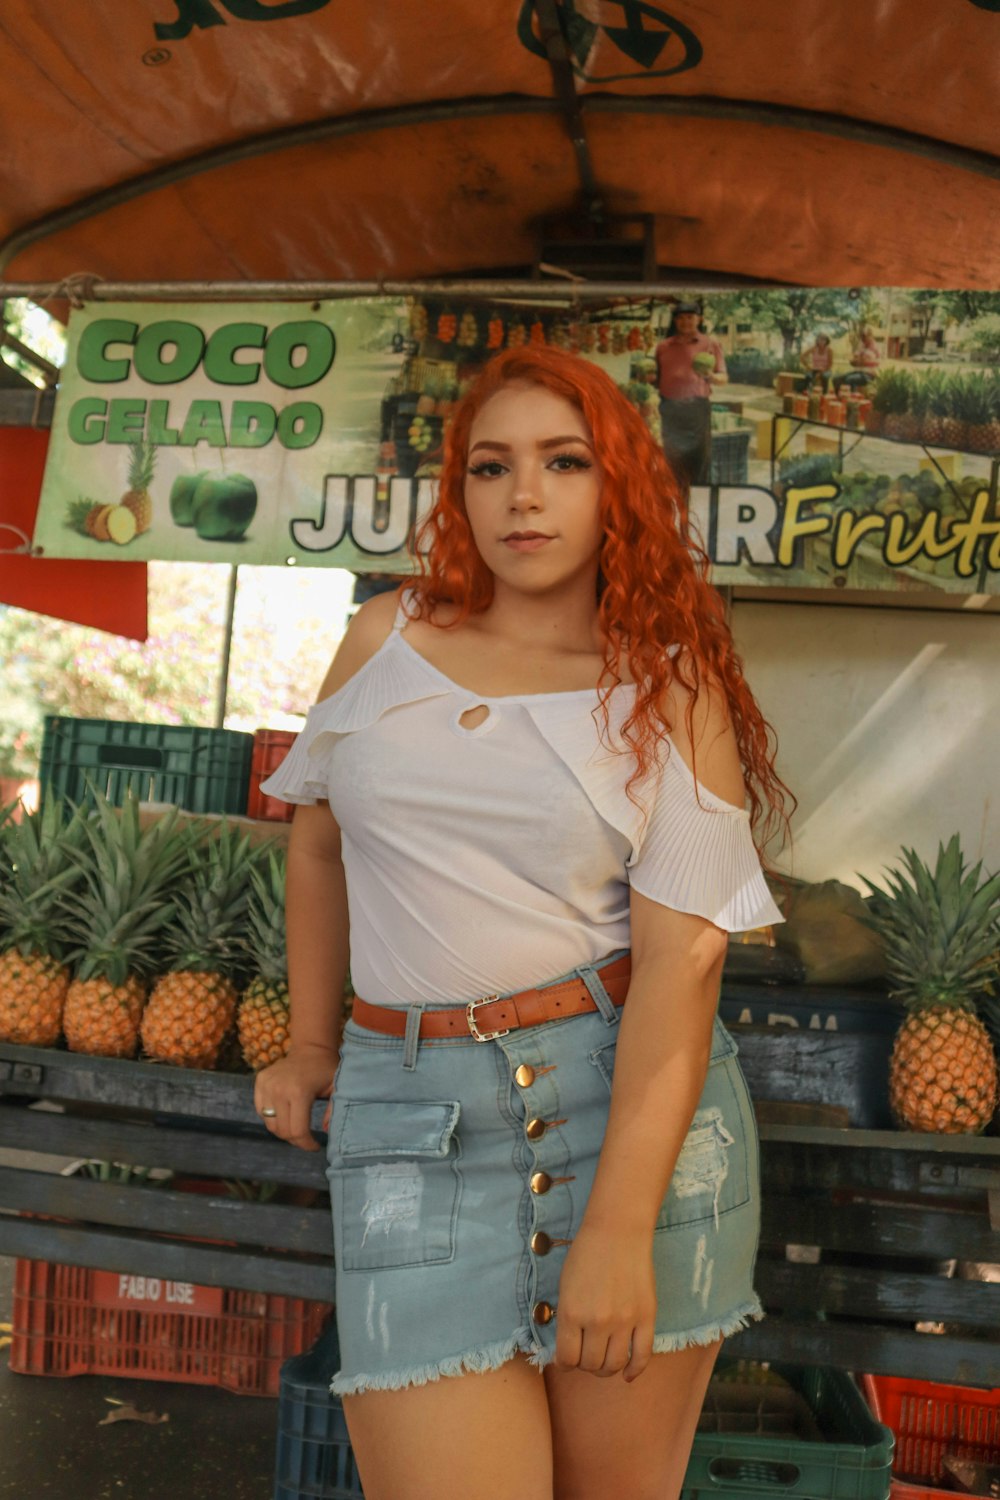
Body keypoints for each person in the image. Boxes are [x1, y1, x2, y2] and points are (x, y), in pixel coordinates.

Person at [256, 345, 792, 1500]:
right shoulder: (384, 639)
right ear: (460, 493)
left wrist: (616, 1232)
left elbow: (680, 968)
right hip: (408, 1110)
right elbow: (315, 837)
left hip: (629, 1110)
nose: (524, 495)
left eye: (564, 462)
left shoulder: (667, 683)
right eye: (490, 468)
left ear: (620, 489)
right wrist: (310, 1043)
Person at [654, 301, 728, 488]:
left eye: (690, 317)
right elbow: (657, 378)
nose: (685, 322)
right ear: (675, 321)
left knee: (700, 457)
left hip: (697, 408)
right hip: (670, 408)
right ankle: (674, 500)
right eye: (680, 318)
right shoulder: (663, 347)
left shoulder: (710, 344)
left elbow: (723, 378)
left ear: (698, 319)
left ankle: (699, 500)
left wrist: (710, 376)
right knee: (672, 458)